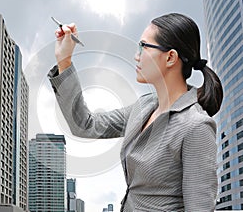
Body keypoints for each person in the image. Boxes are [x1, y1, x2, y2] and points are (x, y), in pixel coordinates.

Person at [48, 13, 223, 211]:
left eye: (143, 46)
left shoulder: (196, 126)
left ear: (170, 57)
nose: (136, 55)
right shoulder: (143, 107)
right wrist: (64, 61)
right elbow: (85, 125)